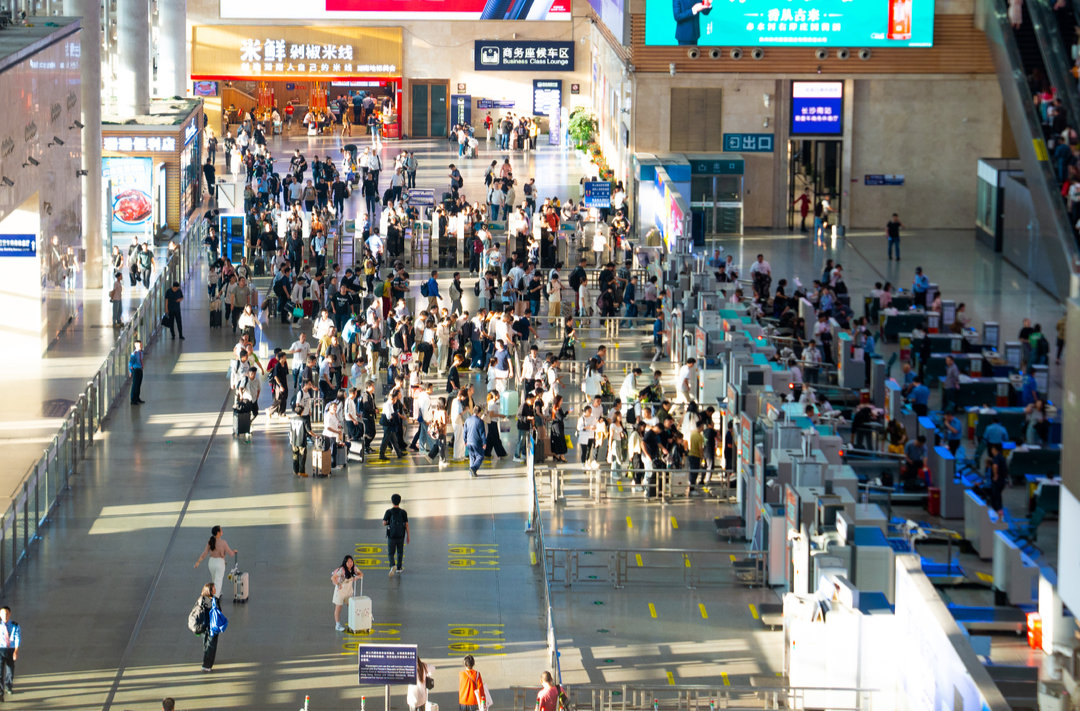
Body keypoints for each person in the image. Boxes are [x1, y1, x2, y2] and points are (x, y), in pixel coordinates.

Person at [194, 525, 237, 599]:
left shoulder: (210, 541)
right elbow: (230, 553)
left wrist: (198, 561)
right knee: (218, 581)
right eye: (221, 530)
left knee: (214, 579)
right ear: (218, 533)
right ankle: (215, 597)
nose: (222, 531)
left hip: (211, 563)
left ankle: (218, 592)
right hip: (220, 563)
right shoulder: (223, 542)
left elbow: (205, 553)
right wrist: (234, 551)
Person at [194, 582, 225, 672]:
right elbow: (219, 612)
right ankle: (207, 665)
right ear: (210, 590)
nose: (215, 589)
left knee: (206, 643)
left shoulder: (201, 599)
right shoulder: (215, 600)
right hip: (213, 627)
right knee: (212, 645)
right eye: (214, 588)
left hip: (203, 626)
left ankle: (206, 659)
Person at [331, 555, 364, 631]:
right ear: (345, 563)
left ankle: (352, 622)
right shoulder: (342, 570)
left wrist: (357, 576)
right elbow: (333, 578)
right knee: (338, 608)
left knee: (351, 607)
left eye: (351, 561)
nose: (350, 563)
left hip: (349, 591)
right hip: (340, 591)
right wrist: (338, 584)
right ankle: (338, 625)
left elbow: (361, 574)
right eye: (348, 562)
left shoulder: (354, 569)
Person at [384, 493, 409, 577]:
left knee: (391, 552)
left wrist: (389, 523)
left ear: (392, 502)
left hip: (391, 535)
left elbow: (384, 523)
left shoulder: (388, 512)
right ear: (400, 501)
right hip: (401, 535)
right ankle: (399, 568)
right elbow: (406, 525)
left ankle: (392, 565)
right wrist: (408, 536)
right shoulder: (403, 512)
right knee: (400, 551)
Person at [464, 405, 487, 477]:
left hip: (469, 442)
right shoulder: (480, 421)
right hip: (476, 442)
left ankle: (471, 473)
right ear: (479, 413)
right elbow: (482, 433)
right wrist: (484, 442)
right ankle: (473, 468)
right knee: (480, 456)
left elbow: (465, 431)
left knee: (472, 457)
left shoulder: (467, 420)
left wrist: (465, 440)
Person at [0, 608, 18, 699]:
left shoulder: (14, 625)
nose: (5, 616)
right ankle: (0, 692)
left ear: (10, 614)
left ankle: (8, 685)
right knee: (0, 672)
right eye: (3, 614)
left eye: (6, 614)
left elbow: (17, 638)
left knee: (10, 671)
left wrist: (16, 651)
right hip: (0, 650)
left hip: (10, 649)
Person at [988, 442, 1008, 514]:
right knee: (998, 496)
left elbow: (995, 466)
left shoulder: (997, 457)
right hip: (1002, 479)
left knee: (995, 496)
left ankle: (996, 511)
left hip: (998, 480)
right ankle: (999, 510)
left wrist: (995, 476)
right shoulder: (1002, 457)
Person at [129, 340, 146, 405]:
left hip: (140, 369)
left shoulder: (140, 352)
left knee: (139, 384)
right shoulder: (134, 354)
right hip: (135, 370)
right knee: (135, 385)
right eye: (139, 345)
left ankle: (137, 397)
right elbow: (130, 363)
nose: (141, 346)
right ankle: (133, 399)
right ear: (135, 346)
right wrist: (131, 371)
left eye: (141, 345)